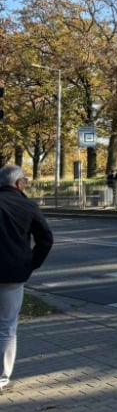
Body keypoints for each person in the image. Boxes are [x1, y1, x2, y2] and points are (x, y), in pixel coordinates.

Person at [0, 165, 53, 392]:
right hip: (13, 273)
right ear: (19, 183)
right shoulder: (27, 205)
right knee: (7, 326)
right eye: (26, 181)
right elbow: (46, 239)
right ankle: (2, 377)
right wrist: (32, 263)